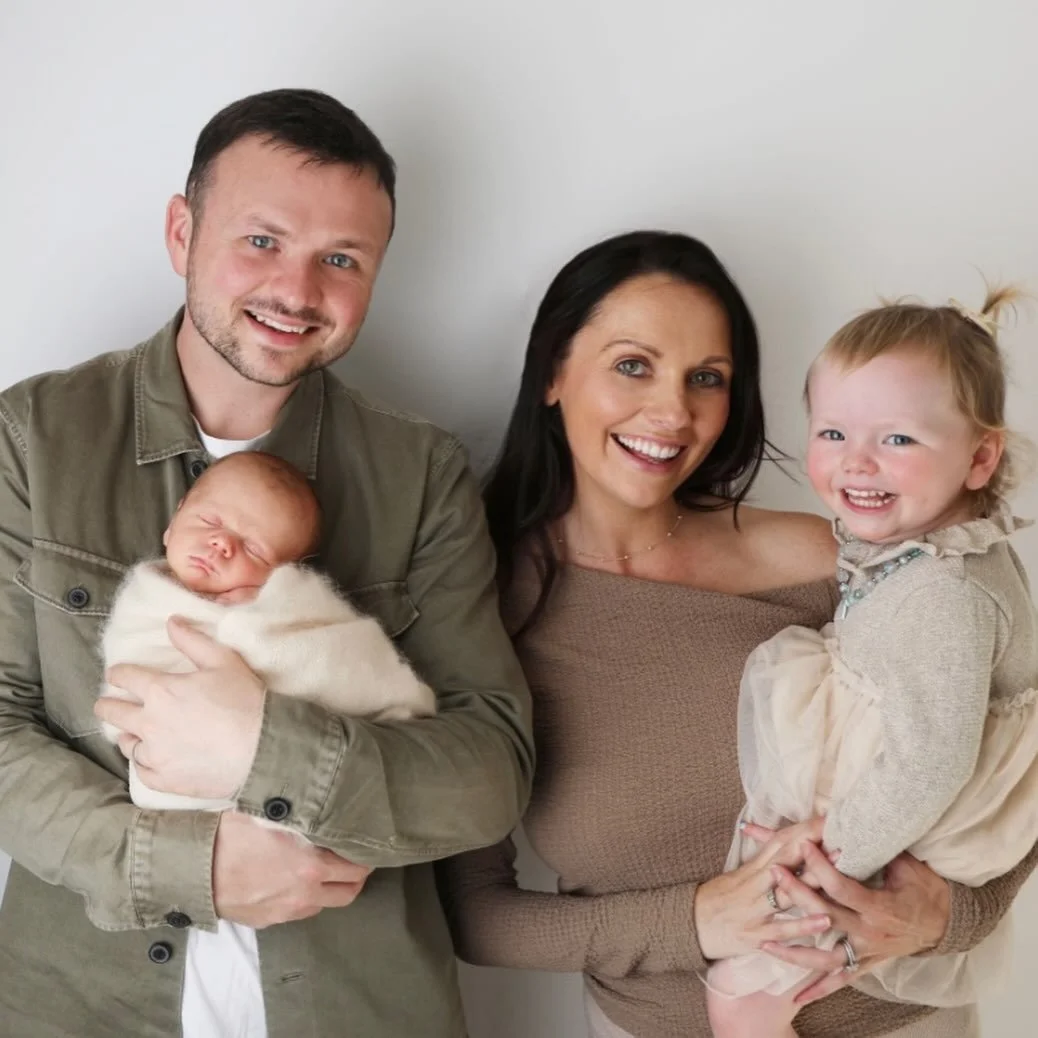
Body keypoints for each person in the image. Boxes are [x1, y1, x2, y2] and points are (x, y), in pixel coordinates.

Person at [0, 89, 532, 1038]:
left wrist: (270, 753)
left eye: (341, 260)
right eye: (262, 241)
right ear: (181, 231)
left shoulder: (420, 473)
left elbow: (492, 770)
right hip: (82, 1007)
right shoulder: (33, 438)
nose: (298, 291)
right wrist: (182, 865)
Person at [437, 230, 1038, 1038]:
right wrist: (696, 920)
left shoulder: (846, 557)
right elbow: (473, 914)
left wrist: (951, 917)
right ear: (552, 372)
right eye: (632, 364)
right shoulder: (480, 609)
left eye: (707, 379)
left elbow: (1007, 747)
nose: (673, 411)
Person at [706, 291, 1038, 1037]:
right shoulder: (927, 552)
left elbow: (931, 760)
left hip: (890, 838)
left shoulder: (948, 591)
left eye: (898, 440)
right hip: (889, 814)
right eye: (833, 431)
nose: (856, 461)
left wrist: (832, 858)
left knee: (739, 998)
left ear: (981, 456)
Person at [100, 449, 437, 812]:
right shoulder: (144, 599)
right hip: (169, 791)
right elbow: (124, 685)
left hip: (292, 776)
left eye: (255, 550)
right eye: (209, 520)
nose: (222, 544)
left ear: (283, 574)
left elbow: (329, 655)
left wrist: (263, 613)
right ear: (174, 519)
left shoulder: (292, 605)